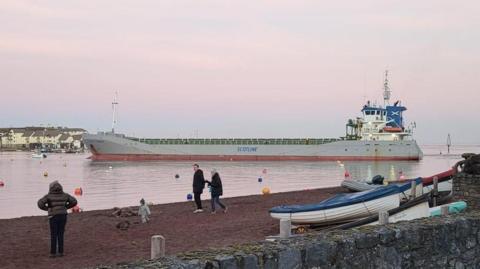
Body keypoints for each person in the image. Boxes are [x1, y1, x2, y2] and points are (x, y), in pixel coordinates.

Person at [37, 180, 77, 258]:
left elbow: (40, 203)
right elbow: (74, 201)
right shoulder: (65, 195)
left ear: (50, 188)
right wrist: (65, 207)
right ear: (61, 187)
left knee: (53, 234)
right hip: (63, 216)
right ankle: (61, 252)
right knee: (60, 234)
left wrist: (47, 209)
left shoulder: (48, 196)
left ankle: (53, 253)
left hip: (53, 216)